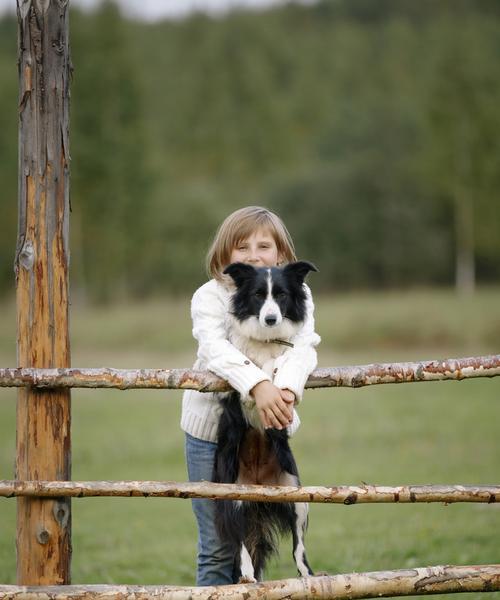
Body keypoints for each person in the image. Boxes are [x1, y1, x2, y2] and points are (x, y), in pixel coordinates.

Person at [181, 205, 320, 585]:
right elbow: (214, 349)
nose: (253, 254)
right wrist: (258, 385)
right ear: (225, 253)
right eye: (242, 246)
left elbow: (304, 347)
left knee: (255, 543)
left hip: (268, 429)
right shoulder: (210, 296)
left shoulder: (296, 292)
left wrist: (286, 389)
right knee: (216, 546)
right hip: (209, 433)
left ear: (281, 252)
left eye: (264, 245)